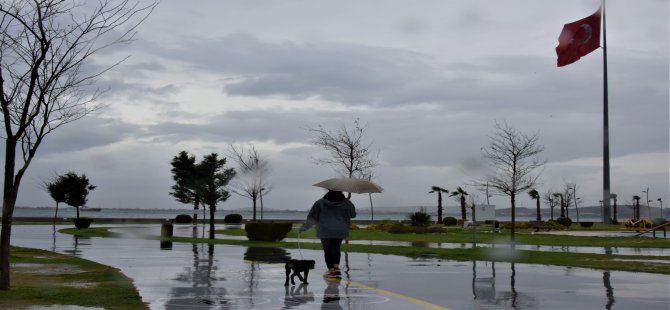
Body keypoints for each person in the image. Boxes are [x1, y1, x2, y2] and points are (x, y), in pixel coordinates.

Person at [299, 190, 356, 278]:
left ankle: (331, 271)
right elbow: (353, 214)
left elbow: (312, 217)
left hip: (325, 230)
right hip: (340, 230)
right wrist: (348, 204)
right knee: (336, 248)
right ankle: (336, 269)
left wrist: (304, 227)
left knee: (328, 250)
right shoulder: (346, 203)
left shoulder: (320, 202)